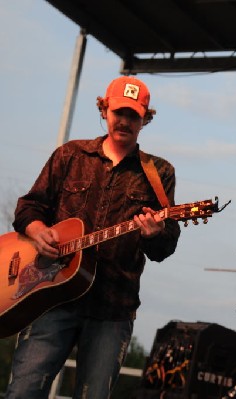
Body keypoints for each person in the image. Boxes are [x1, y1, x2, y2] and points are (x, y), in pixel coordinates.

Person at [6, 76, 181, 399]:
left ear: (145, 119)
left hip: (113, 309)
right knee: (23, 392)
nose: (125, 121)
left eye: (134, 115)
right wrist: (37, 231)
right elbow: (29, 207)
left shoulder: (159, 173)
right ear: (104, 110)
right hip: (50, 297)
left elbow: (164, 246)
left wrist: (155, 234)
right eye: (119, 112)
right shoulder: (70, 155)